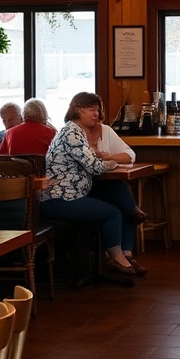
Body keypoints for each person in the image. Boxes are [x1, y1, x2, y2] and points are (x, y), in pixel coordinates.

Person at [40, 92, 147, 277]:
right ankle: (117, 258)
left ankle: (125, 250)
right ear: (79, 110)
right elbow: (96, 167)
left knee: (116, 192)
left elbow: (95, 164)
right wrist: (111, 162)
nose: (96, 114)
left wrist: (104, 160)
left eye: (97, 110)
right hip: (60, 198)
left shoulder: (74, 131)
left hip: (71, 193)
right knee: (112, 212)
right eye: (91, 110)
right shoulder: (71, 133)